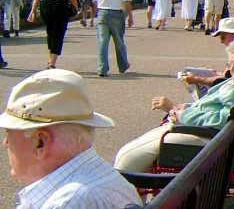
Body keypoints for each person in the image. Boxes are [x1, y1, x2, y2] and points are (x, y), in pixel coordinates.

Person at [115, 38, 234, 172]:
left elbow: (224, 120)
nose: (232, 69)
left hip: (208, 136)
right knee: (133, 152)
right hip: (203, 130)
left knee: (126, 158)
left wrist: (182, 114)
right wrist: (186, 109)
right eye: (229, 64)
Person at [1, 69, 142, 208]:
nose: (5, 143)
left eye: (9, 133)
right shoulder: (101, 176)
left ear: (40, 142)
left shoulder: (65, 202)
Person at [89, 0, 132, 77]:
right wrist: (129, 16)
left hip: (102, 12)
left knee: (102, 42)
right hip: (117, 13)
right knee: (119, 41)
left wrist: (95, 13)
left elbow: (94, 0)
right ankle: (123, 65)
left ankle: (102, 68)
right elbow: (127, 1)